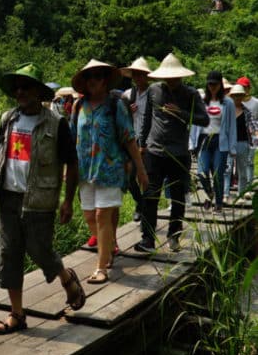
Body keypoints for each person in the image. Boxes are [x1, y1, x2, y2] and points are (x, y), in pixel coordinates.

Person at [0, 63, 85, 335]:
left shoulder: (56, 124)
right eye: (17, 87)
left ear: (39, 91)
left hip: (40, 198)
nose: (21, 91)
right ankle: (17, 314)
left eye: (26, 87)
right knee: (9, 253)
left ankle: (66, 278)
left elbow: (71, 164)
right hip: (8, 197)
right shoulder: (7, 119)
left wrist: (68, 201)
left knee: (41, 250)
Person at [71, 59, 148, 284]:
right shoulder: (79, 106)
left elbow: (129, 138)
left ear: (105, 81)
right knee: (89, 216)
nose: (93, 81)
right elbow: (71, 138)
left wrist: (140, 170)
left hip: (111, 169)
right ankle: (110, 245)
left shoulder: (116, 105)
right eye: (89, 77)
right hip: (85, 171)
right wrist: (68, 169)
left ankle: (101, 267)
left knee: (101, 215)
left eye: (98, 77)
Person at [135, 53, 209, 253]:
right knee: (150, 196)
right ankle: (148, 239)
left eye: (174, 77)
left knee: (177, 198)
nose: (171, 81)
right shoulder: (154, 90)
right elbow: (147, 120)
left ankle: (174, 236)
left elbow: (204, 120)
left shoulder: (191, 94)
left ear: (181, 76)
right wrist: (141, 144)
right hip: (154, 151)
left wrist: (181, 113)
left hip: (178, 153)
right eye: (168, 77)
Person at [190, 71, 236, 213]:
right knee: (201, 172)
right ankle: (209, 193)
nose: (212, 87)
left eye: (215, 84)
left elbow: (231, 126)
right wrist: (191, 143)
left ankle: (219, 203)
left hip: (220, 140)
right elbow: (195, 123)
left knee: (218, 173)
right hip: (204, 139)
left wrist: (232, 148)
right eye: (209, 84)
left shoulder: (228, 103)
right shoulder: (202, 101)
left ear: (220, 84)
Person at [120, 57, 152, 222]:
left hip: (148, 141)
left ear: (146, 76)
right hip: (132, 140)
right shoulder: (127, 95)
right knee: (130, 178)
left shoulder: (153, 94)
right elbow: (119, 117)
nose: (138, 78)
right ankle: (141, 205)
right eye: (135, 75)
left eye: (141, 74)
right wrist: (127, 111)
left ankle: (144, 209)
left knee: (144, 177)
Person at [226, 84, 258, 197]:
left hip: (243, 142)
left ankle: (241, 194)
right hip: (229, 143)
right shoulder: (226, 111)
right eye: (235, 95)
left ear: (243, 96)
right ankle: (225, 194)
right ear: (232, 96)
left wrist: (255, 138)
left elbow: (254, 127)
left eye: (240, 95)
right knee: (227, 169)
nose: (237, 97)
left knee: (242, 170)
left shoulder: (247, 111)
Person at [235, 76, 258, 195]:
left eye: (244, 87)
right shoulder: (235, 102)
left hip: (253, 137)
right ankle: (237, 188)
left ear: (248, 88)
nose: (243, 90)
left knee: (249, 162)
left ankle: (248, 188)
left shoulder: (255, 102)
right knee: (236, 165)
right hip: (240, 137)